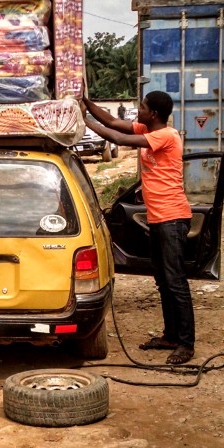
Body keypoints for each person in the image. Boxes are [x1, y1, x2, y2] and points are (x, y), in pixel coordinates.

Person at [81, 91, 194, 366]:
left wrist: (80, 118)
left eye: (141, 107)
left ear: (153, 113)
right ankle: (170, 335)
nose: (137, 111)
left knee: (175, 282)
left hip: (172, 218)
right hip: (158, 218)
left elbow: (117, 138)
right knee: (164, 281)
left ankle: (186, 344)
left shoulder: (166, 135)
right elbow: (111, 121)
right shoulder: (147, 128)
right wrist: (85, 103)